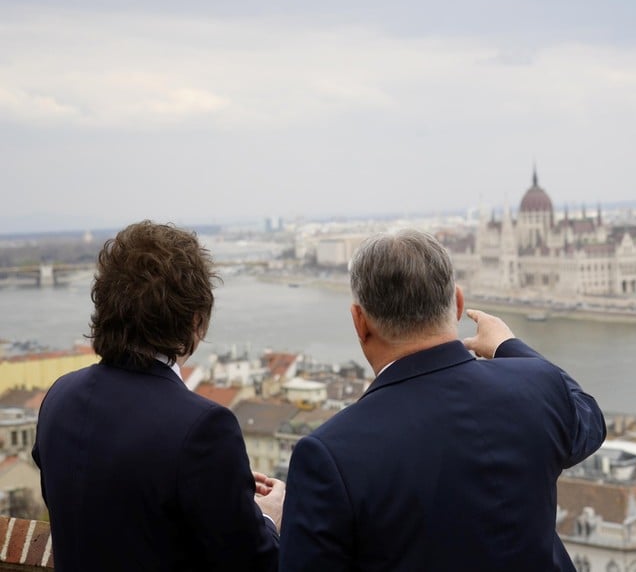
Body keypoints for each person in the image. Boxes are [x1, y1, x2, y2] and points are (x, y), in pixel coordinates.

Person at [279, 229, 606, 571]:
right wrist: (509, 346)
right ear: (459, 303)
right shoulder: (536, 388)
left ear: (360, 322)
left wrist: (277, 526)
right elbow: (590, 422)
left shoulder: (329, 455)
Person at [32, 220, 284, 571]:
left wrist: (223, 481)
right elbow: (254, 561)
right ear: (197, 321)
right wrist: (270, 517)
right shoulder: (203, 427)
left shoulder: (60, 398)